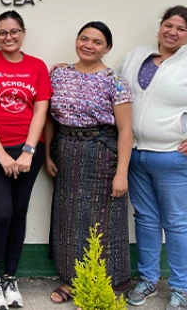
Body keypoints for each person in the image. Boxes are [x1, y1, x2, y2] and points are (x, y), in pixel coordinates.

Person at [45, 21, 133, 304]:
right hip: (66, 150)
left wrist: (122, 173)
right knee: (69, 219)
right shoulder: (58, 74)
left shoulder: (115, 80)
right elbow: (50, 118)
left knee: (103, 220)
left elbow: (126, 130)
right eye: (84, 38)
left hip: (101, 152)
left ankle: (109, 282)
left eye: (97, 42)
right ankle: (73, 281)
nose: (89, 45)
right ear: (76, 40)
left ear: (107, 48)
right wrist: (47, 154)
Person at [0, 10, 51, 310]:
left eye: (14, 31)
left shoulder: (37, 66)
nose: (9, 37)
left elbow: (41, 111)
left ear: (23, 33)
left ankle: (9, 277)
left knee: (19, 211)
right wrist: (2, 154)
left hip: (29, 149)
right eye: (3, 32)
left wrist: (28, 150)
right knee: (1, 211)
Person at [119, 6, 187, 310]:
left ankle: (180, 288)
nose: (172, 32)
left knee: (177, 223)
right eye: (168, 25)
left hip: (174, 158)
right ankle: (148, 280)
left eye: (181, 28)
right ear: (159, 27)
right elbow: (112, 85)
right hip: (136, 156)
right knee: (146, 220)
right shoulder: (136, 55)